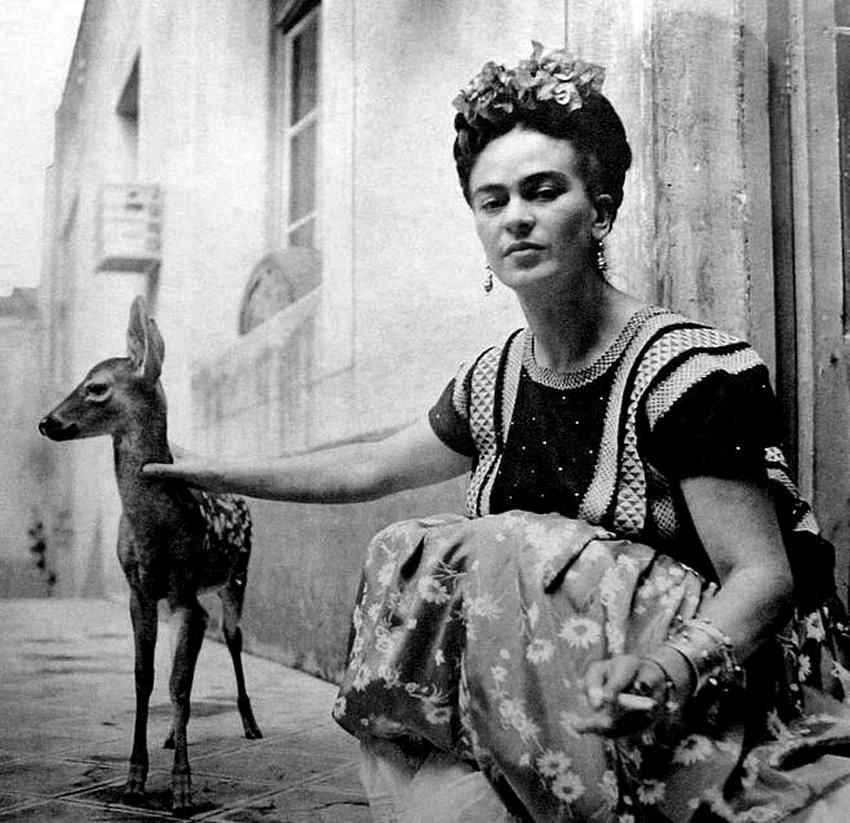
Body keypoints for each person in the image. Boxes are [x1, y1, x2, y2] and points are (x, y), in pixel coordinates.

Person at [145, 44, 850, 823]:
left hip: (717, 682)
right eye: (493, 200)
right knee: (405, 552)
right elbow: (369, 466)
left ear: (600, 211)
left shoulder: (688, 370)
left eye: (543, 191)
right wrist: (212, 471)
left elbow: (763, 578)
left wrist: (665, 667)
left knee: (504, 544)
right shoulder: (495, 379)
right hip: (563, 694)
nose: (516, 216)